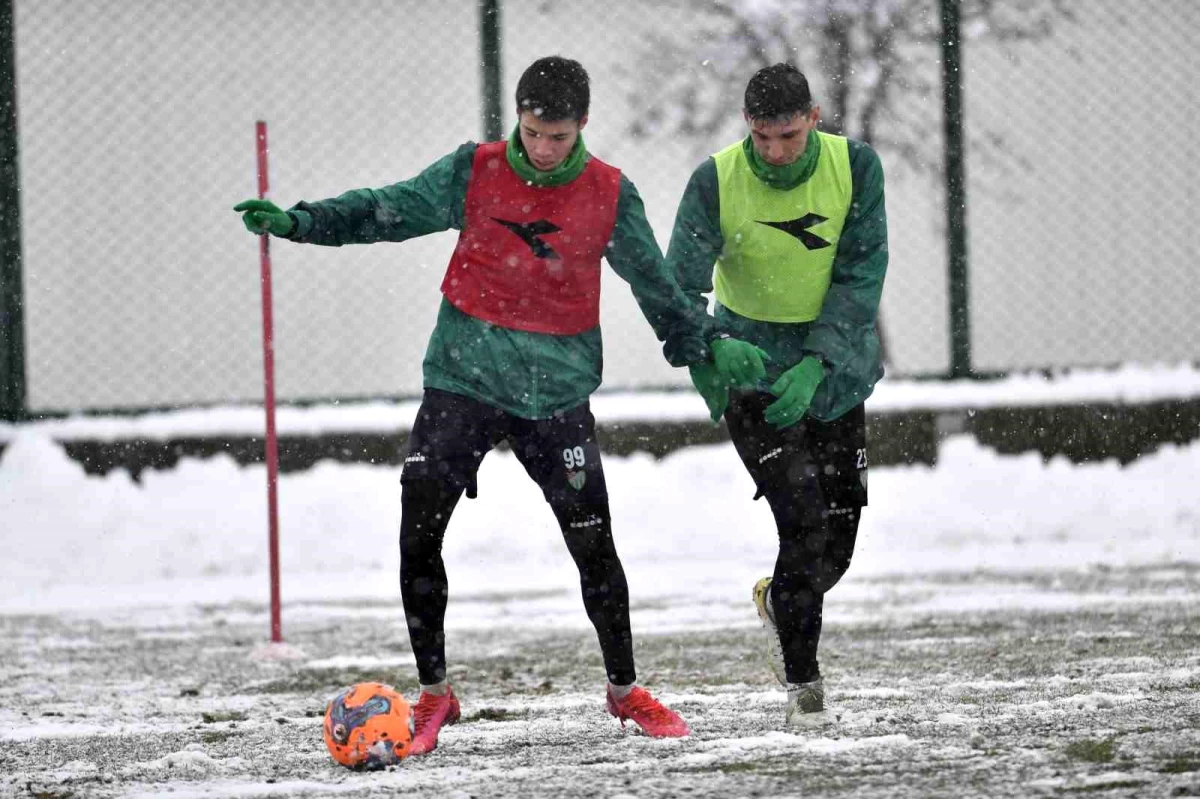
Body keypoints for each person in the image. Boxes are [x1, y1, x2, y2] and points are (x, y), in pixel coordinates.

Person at [234, 56, 764, 753]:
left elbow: (657, 287)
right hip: (463, 379)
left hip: (556, 392)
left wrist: (699, 345)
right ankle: (434, 693)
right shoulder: (475, 169)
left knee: (593, 541)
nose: (544, 149)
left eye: (559, 136)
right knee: (417, 529)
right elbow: (385, 209)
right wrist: (304, 221)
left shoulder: (609, 193)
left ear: (582, 126)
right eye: (534, 131)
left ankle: (624, 687)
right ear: (518, 116)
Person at [665, 62, 888, 730]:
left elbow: (860, 274)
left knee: (838, 543)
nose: (774, 151)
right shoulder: (715, 179)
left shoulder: (857, 168)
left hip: (834, 372)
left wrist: (820, 362)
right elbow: (678, 283)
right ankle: (804, 688)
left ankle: (780, 600)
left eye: (788, 135)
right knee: (804, 519)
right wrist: (708, 348)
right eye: (762, 137)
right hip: (753, 373)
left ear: (814, 118)